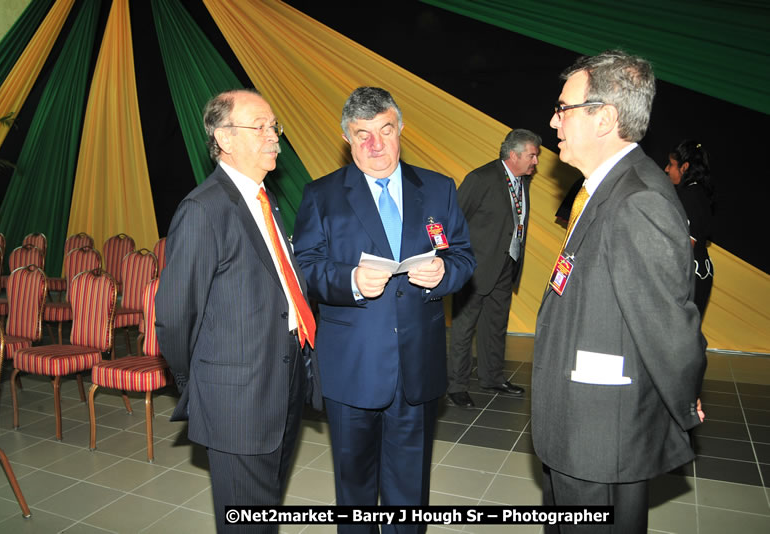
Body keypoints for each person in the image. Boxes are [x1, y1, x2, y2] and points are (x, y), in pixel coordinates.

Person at [531, 50, 707, 532]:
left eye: (563, 109)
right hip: (584, 428)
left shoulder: (638, 200)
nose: (553, 121)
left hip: (600, 434)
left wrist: (684, 396)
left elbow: (669, 324)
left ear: (604, 118)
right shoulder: (607, 189)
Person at [293, 86, 475, 533]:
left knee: (409, 488)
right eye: (362, 135)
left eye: (384, 130)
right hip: (353, 366)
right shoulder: (322, 195)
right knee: (354, 488)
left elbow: (464, 257)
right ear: (347, 140)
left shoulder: (437, 188)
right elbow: (306, 269)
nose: (375, 145)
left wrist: (444, 274)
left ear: (400, 129)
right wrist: (350, 281)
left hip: (417, 364)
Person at [155, 89, 317, 533]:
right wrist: (203, 385)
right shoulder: (203, 209)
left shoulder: (266, 201)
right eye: (259, 127)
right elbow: (173, 316)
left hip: (282, 380)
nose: (273, 137)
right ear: (224, 138)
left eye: (274, 126)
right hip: (237, 397)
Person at [448, 129, 541, 408]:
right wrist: (458, 261)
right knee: (464, 328)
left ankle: (492, 377)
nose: (535, 161)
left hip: (506, 264)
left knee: (496, 325)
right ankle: (456, 385)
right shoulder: (480, 178)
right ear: (513, 155)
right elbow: (453, 220)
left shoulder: (522, 181)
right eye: (532, 155)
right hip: (474, 268)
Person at [665, 140, 715, 318]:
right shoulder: (699, 193)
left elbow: (685, 247)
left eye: (671, 165)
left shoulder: (689, 197)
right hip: (700, 274)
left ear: (684, 167)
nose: (667, 169)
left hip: (688, 279)